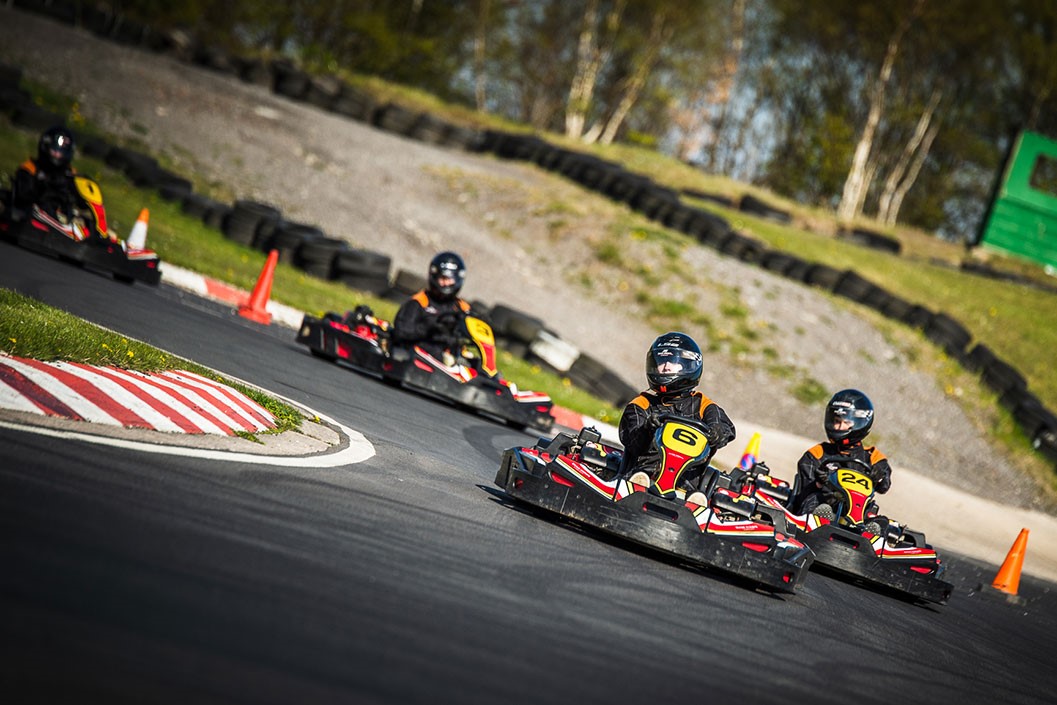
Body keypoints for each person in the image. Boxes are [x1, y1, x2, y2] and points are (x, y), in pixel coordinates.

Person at [618, 332, 736, 489]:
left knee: (706, 483)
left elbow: (724, 427)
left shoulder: (703, 405)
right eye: (661, 362)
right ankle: (639, 484)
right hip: (644, 472)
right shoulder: (641, 404)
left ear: (688, 365)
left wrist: (718, 432)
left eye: (671, 362)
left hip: (687, 482)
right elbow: (633, 442)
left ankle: (694, 502)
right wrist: (647, 428)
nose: (665, 367)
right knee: (643, 473)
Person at [791, 388, 892, 523]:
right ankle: (820, 522)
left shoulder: (873, 457)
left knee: (881, 521)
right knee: (816, 502)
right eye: (837, 421)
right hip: (822, 506)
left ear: (860, 423)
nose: (839, 427)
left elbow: (884, 486)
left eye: (846, 422)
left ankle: (869, 535)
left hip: (858, 515)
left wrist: (879, 476)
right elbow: (802, 496)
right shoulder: (816, 454)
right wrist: (819, 484)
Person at [390, 251, 472, 361]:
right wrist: (427, 328)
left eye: (449, 279)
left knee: (472, 361)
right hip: (422, 351)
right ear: (434, 276)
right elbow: (401, 332)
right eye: (443, 278)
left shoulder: (462, 308)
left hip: (452, 354)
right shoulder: (420, 302)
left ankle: (489, 373)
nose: (446, 284)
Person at [11, 126, 79, 219]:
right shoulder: (30, 168)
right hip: (33, 216)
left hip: (61, 220)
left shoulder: (71, 174)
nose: (57, 154)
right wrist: (47, 187)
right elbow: (24, 197)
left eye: (60, 152)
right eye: (54, 150)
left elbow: (80, 202)